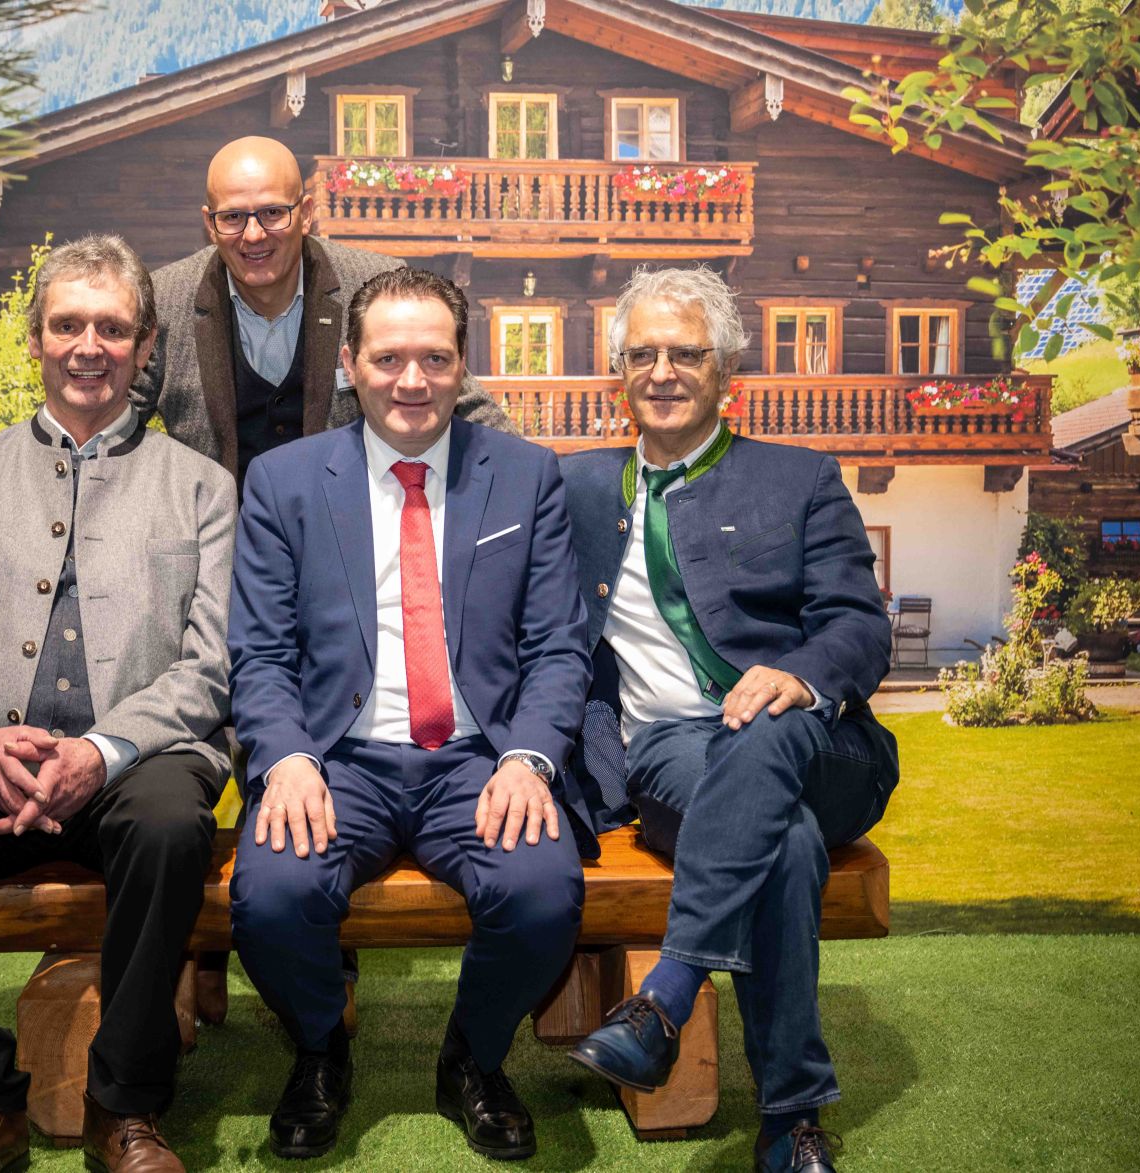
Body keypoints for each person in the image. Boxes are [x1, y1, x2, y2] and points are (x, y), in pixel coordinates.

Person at [0, 234, 235, 1173]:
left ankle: (127, 1106)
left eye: (112, 327)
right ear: (36, 338)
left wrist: (101, 751)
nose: (88, 346)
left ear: (146, 346)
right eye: (68, 324)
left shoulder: (201, 485)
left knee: (171, 823)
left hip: (134, 765)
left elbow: (213, 664)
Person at [226, 268, 593, 1161]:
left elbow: (558, 648)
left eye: (435, 356)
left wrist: (528, 759)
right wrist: (286, 759)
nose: (412, 380)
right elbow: (261, 653)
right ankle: (320, 1048)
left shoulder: (526, 476)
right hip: (334, 757)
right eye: (389, 357)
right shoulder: (283, 482)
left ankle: (471, 1055)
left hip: (479, 757)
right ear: (350, 363)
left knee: (543, 890)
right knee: (271, 896)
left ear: (464, 364)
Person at [560, 267, 899, 1173]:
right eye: (643, 355)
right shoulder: (579, 490)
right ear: (618, 375)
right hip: (674, 750)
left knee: (770, 721)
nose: (663, 370)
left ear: (726, 373)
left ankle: (665, 997)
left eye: (686, 353)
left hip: (825, 746)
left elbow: (861, 625)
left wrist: (797, 675)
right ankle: (792, 1122)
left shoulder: (800, 477)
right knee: (780, 845)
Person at [136, 135, 512, 487]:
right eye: (233, 217)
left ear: (306, 214)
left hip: (349, 537)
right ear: (210, 224)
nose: (253, 235)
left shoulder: (378, 288)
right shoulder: (164, 300)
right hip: (221, 543)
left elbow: (462, 403)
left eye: (272, 212)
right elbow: (112, 416)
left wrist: (538, 482)